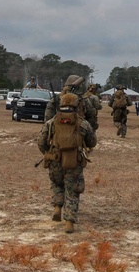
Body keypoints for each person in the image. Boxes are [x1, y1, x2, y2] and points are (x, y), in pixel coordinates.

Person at [37, 92, 97, 233]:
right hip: (74, 162)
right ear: (76, 105)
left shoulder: (51, 122)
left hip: (55, 160)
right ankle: (69, 222)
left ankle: (57, 207)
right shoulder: (82, 123)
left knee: (57, 184)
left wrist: (47, 154)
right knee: (72, 190)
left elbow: (41, 142)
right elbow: (92, 142)